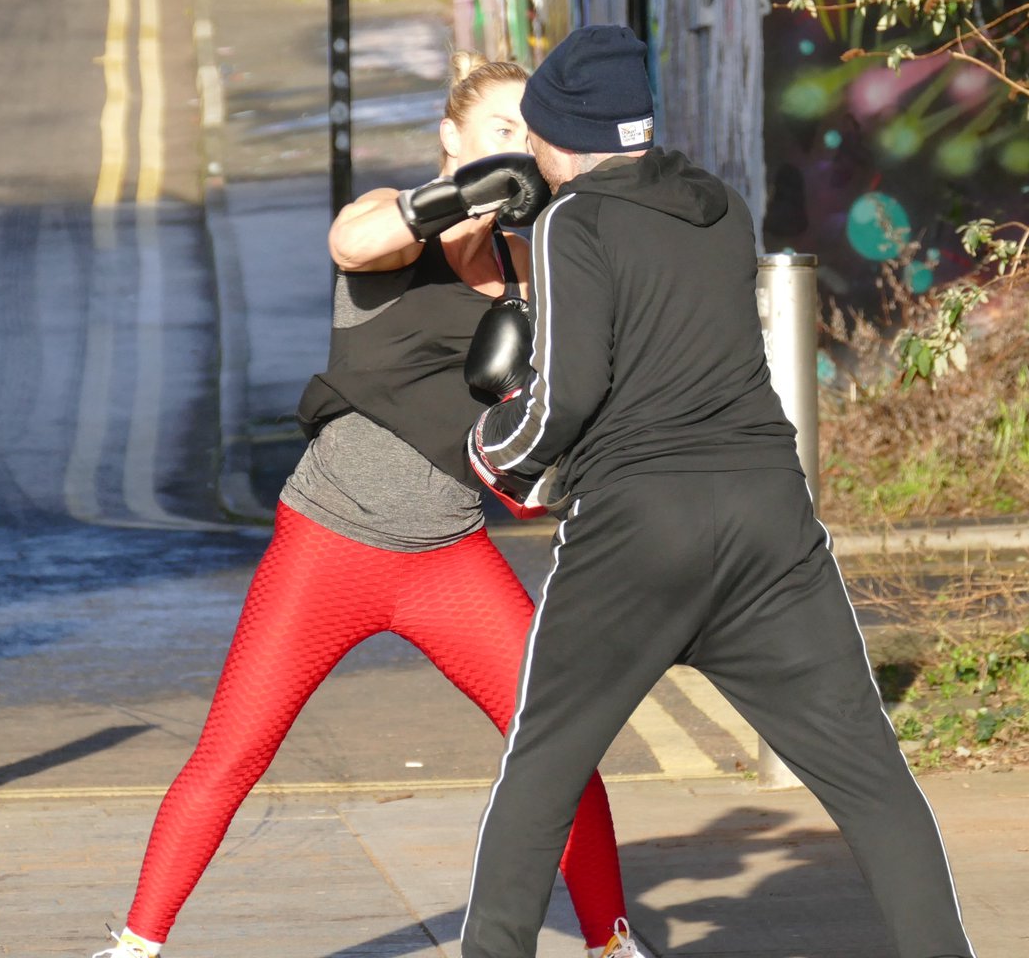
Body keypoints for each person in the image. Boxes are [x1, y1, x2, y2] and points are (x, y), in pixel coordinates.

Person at [93, 53, 641, 958]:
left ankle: (611, 946)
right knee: (232, 752)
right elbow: (353, 243)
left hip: (448, 556)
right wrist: (471, 194)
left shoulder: (532, 265)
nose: (518, 147)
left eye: (530, 135)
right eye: (501, 129)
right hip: (328, 546)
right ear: (451, 135)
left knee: (558, 741)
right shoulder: (394, 225)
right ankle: (135, 945)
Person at [461, 25, 978, 958]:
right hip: (767, 517)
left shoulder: (572, 223)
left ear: (564, 135)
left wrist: (497, 455)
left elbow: (566, 394)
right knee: (870, 777)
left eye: (533, 133)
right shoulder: (723, 208)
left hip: (638, 526)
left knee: (543, 768)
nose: (529, 151)